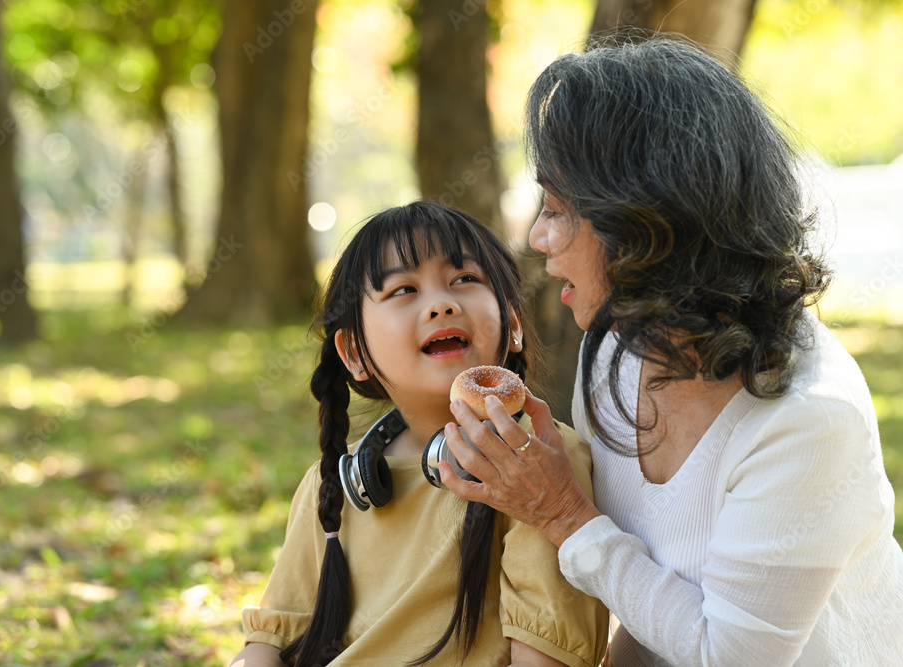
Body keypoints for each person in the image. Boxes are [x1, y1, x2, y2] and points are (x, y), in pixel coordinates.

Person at [438, 37, 903, 666]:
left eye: (556, 208)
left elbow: (726, 657)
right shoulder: (613, 352)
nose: (536, 238)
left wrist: (563, 512)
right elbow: (644, 587)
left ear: (645, 221)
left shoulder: (808, 419)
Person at [232, 201, 608, 667]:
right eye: (403, 289)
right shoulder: (330, 486)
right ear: (353, 351)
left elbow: (547, 657)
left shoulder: (538, 462)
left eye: (464, 280)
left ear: (512, 323)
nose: (442, 304)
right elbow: (270, 640)